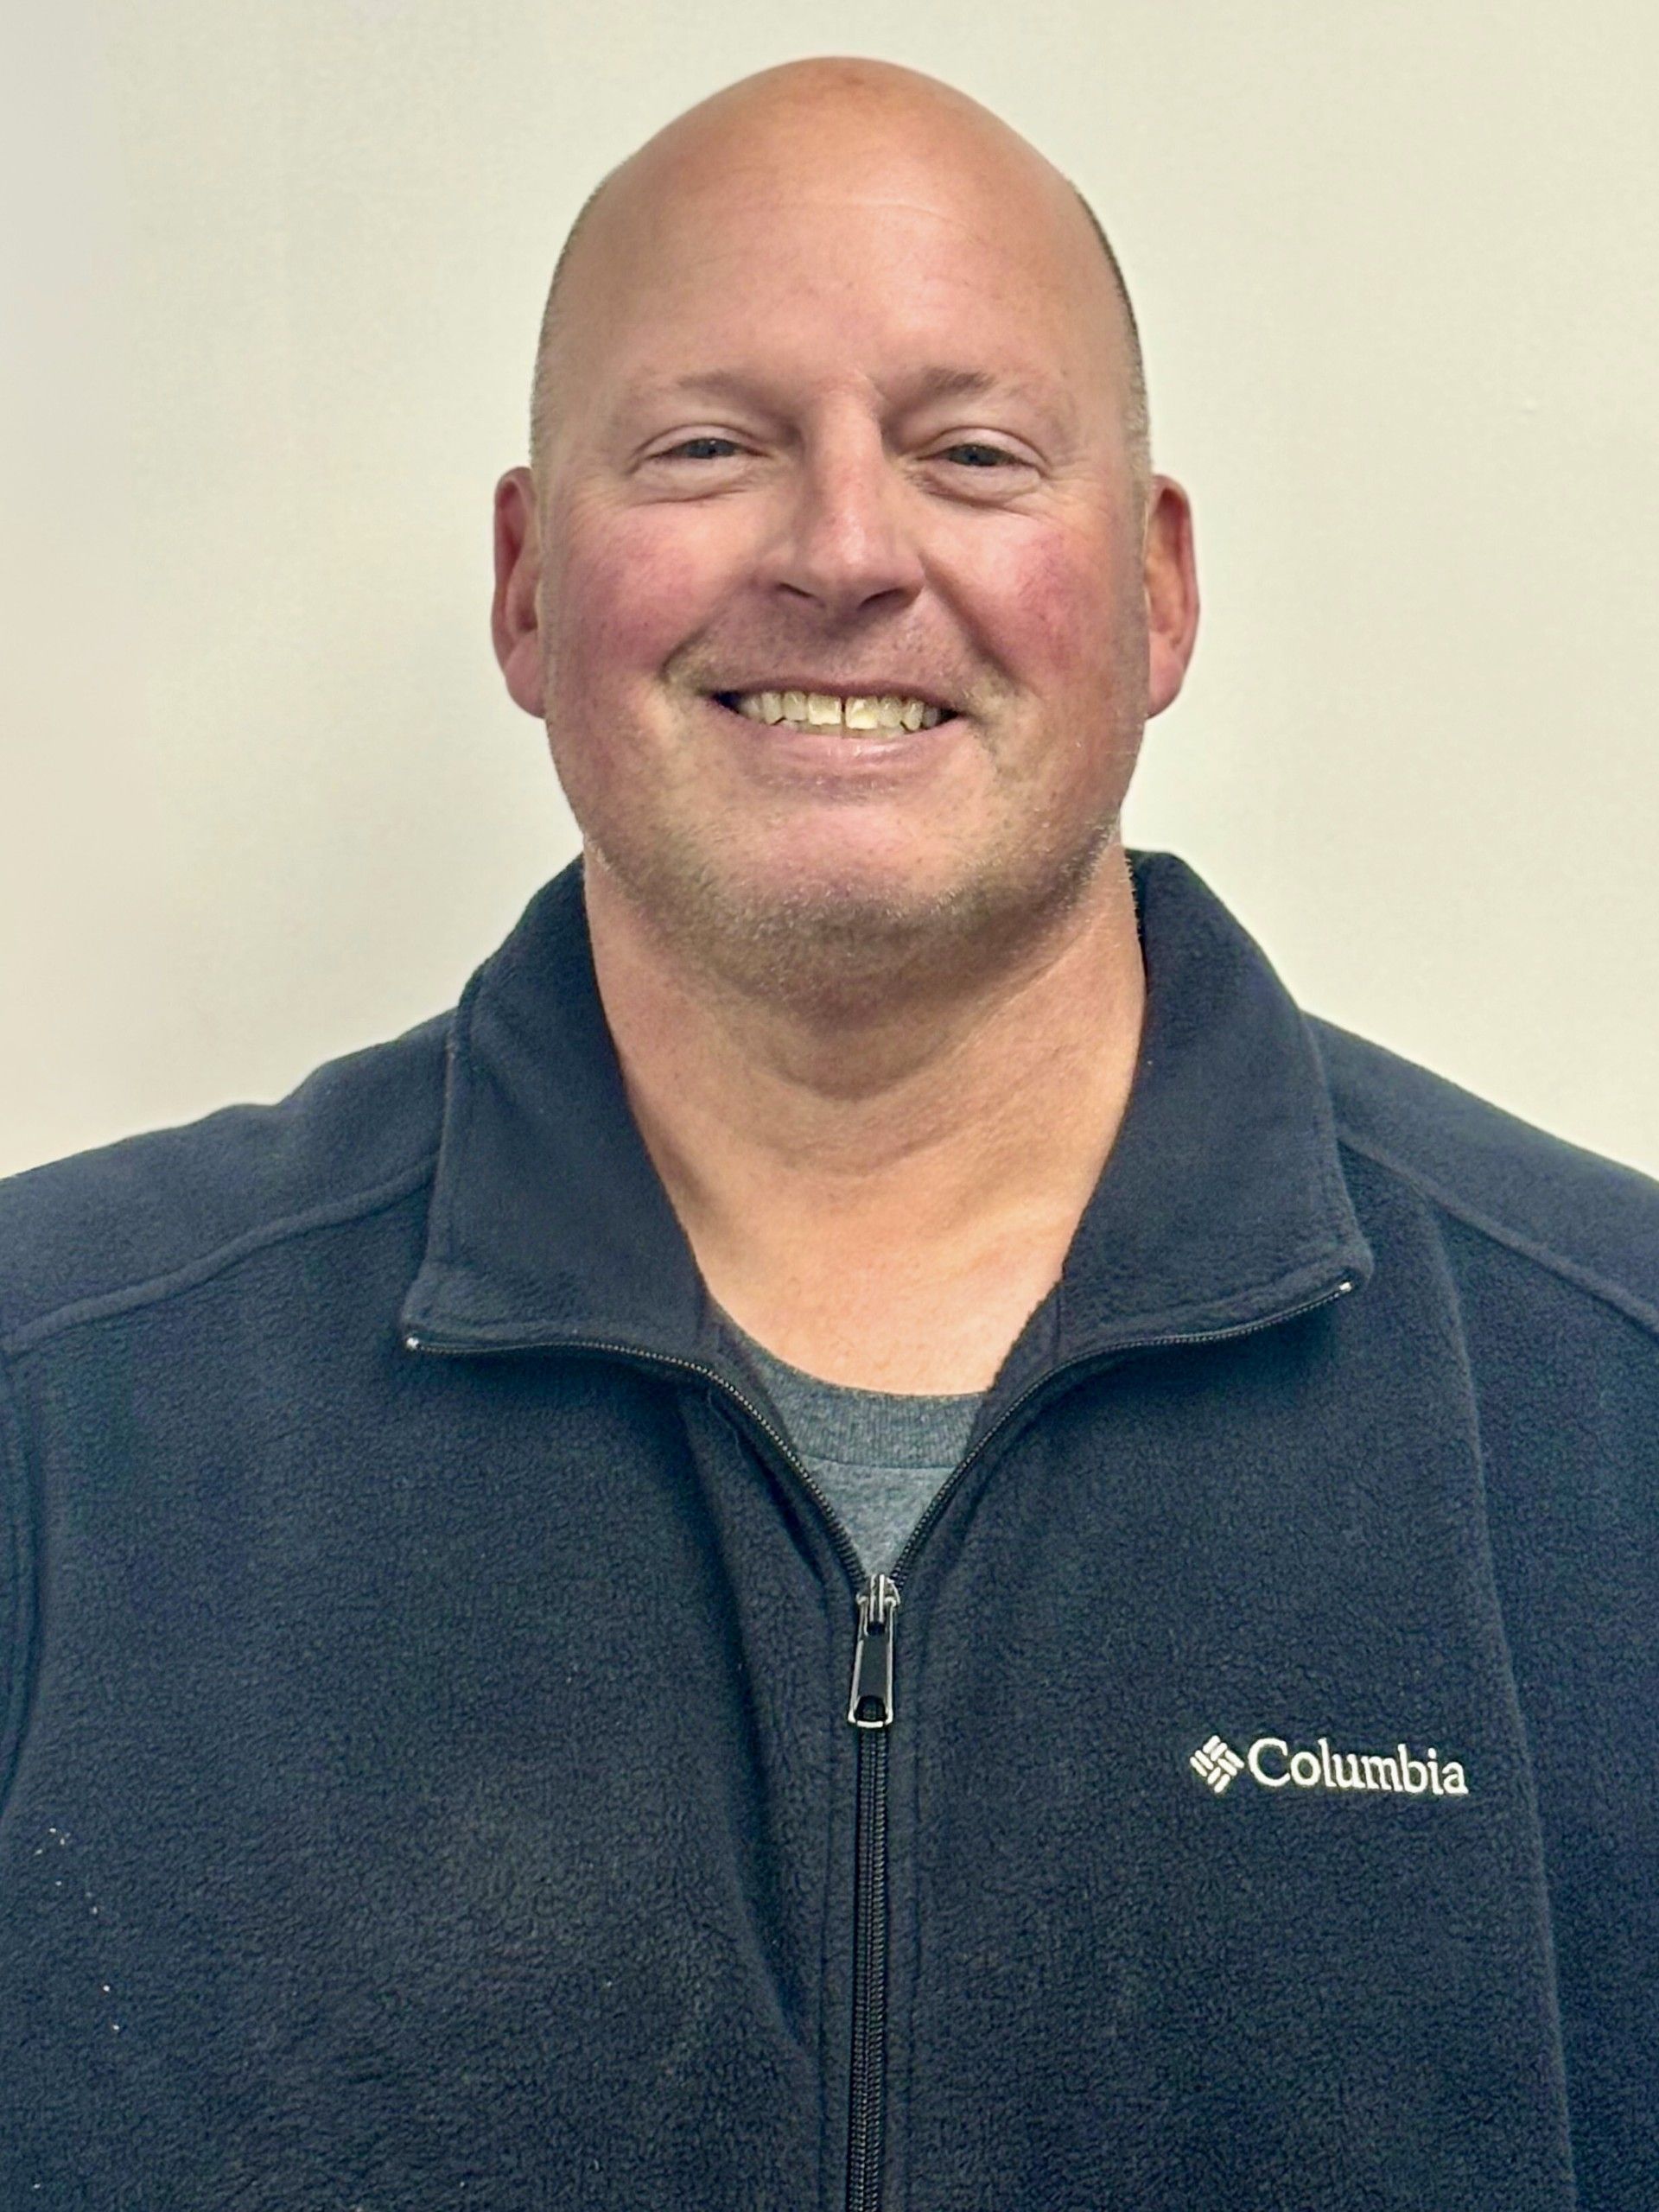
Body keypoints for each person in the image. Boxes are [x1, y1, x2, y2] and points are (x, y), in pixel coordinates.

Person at [0, 53, 1653, 2212]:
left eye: (971, 453)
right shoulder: (61, 1418)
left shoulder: (1611, 1416)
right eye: (709, 446)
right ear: (525, 581)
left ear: (1156, 591)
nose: (848, 551)